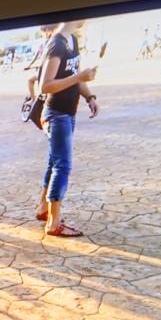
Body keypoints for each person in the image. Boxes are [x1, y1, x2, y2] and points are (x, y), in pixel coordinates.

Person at [34, 20, 98, 241]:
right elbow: (45, 86)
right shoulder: (57, 44)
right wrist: (79, 77)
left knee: (55, 163)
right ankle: (53, 223)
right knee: (62, 166)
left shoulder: (72, 40)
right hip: (56, 114)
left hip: (67, 114)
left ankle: (44, 208)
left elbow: (74, 74)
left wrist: (89, 96)